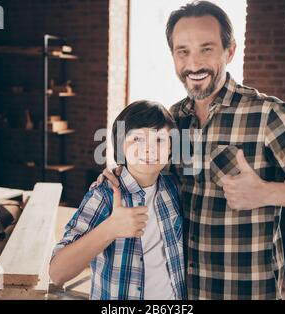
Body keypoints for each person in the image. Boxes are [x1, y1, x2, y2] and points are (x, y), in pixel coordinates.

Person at [98, 1, 285, 299]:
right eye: (183, 51)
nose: (194, 64)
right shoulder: (171, 121)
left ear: (229, 51)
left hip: (244, 292)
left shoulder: (267, 115)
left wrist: (267, 193)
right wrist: (118, 177)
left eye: (207, 49)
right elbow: (152, 181)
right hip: (182, 292)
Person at [49, 100, 187, 300]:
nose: (149, 149)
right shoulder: (104, 195)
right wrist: (111, 228)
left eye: (159, 140)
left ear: (171, 148)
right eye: (137, 139)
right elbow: (57, 273)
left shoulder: (173, 188)